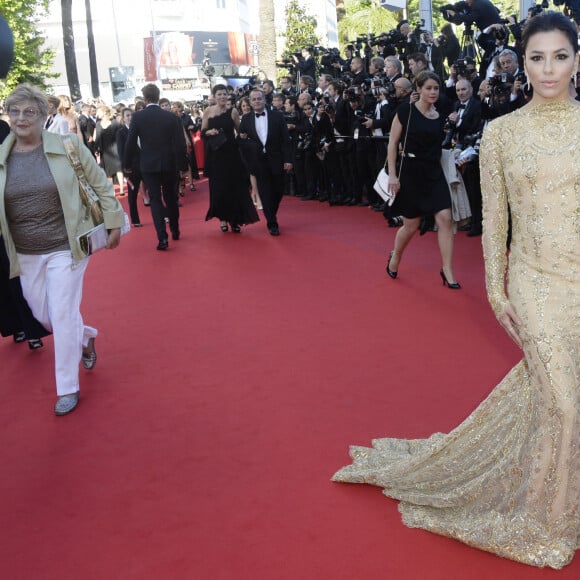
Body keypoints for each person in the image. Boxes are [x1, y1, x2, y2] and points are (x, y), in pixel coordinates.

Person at [332, 12, 580, 569]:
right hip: (535, 281)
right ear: (521, 59)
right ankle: (544, 519)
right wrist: (496, 287)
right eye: (537, 57)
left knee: (567, 396)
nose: (548, 69)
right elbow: (495, 222)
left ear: (576, 60)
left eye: (560, 56)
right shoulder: (500, 132)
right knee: (563, 399)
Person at [0, 84, 124, 415]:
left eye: (30, 112)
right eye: (15, 111)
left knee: (63, 312)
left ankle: (67, 387)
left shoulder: (66, 145)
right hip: (24, 251)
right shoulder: (1, 157)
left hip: (66, 246)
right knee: (45, 316)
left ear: (44, 115)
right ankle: (85, 337)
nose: (21, 118)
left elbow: (99, 182)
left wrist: (113, 221)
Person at [385, 71, 460, 288]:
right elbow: (392, 144)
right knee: (411, 225)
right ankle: (396, 255)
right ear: (418, 89)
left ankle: (447, 269)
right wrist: (392, 174)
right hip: (410, 171)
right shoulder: (405, 111)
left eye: (436, 88)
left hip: (433, 172)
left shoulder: (440, 115)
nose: (433, 92)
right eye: (428, 88)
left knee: (445, 218)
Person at [123, 83, 186, 251]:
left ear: (144, 99)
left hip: (148, 165)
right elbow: (180, 144)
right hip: (169, 163)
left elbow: (130, 143)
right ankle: (175, 229)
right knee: (171, 197)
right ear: (159, 97)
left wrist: (127, 165)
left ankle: (162, 237)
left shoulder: (138, 117)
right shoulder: (171, 117)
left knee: (155, 199)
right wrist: (182, 165)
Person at [201, 84, 258, 233]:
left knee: (234, 188)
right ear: (214, 96)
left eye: (224, 94)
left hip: (231, 155)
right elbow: (202, 132)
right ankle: (223, 219)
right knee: (218, 189)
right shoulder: (208, 111)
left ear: (228, 95)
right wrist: (209, 132)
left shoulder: (233, 111)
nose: (222, 97)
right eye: (219, 94)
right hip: (215, 156)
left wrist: (246, 139)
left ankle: (235, 220)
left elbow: (240, 132)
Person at [238, 89, 293, 236]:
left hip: (277, 159)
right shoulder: (246, 119)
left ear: (264, 100)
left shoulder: (277, 116)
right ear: (250, 102)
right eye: (254, 99)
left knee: (279, 190)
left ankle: (270, 212)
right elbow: (241, 142)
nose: (256, 101)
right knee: (265, 191)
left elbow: (286, 140)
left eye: (259, 99)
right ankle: (272, 222)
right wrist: (249, 161)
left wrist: (288, 159)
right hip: (258, 162)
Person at [116, 108, 141, 227]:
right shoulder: (121, 132)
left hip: (145, 165)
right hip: (131, 168)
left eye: (131, 115)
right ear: (123, 118)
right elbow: (121, 152)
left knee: (154, 192)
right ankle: (135, 220)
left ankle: (164, 215)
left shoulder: (141, 129)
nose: (130, 117)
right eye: (127, 115)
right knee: (132, 195)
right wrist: (125, 168)